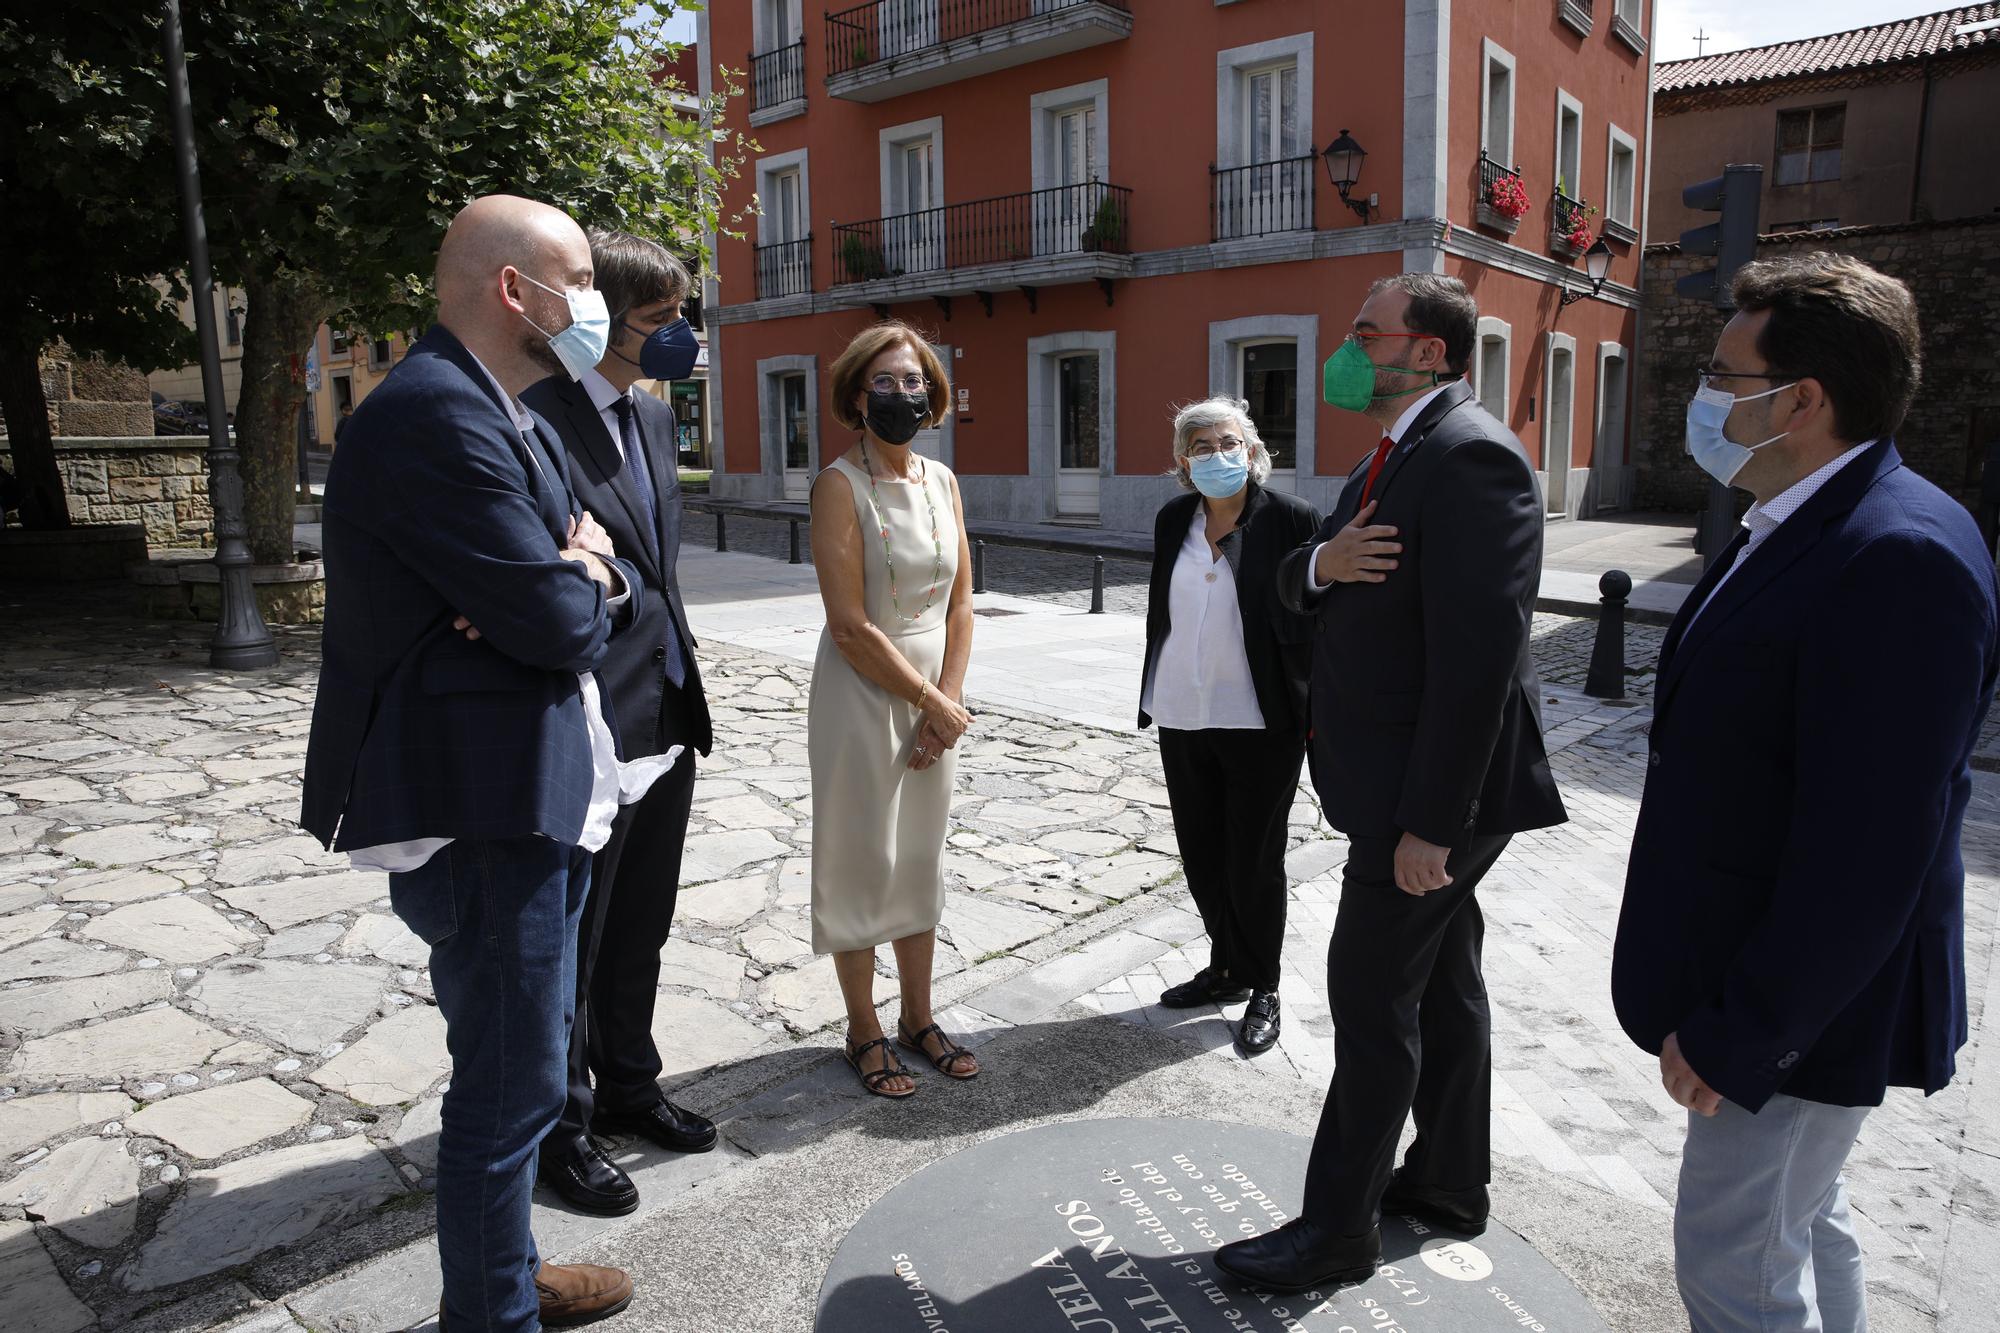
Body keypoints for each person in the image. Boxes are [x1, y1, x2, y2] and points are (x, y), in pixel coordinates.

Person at [301, 195, 670, 1331]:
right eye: (577, 279)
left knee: (519, 1067)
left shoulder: (510, 412)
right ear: (517, 291)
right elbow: (557, 622)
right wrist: (565, 583)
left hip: (538, 785)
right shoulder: (432, 415)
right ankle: (493, 1314)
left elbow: (608, 581)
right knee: (508, 1089)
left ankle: (503, 1274)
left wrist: (579, 572)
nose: (596, 306)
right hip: (478, 804)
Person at [1612, 253, 1998, 1333]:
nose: (1704, 395)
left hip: (1801, 1004)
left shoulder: (1895, 553)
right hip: (1768, 975)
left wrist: (1747, 1031)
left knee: (1733, 1266)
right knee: (1800, 1221)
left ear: (1802, 399)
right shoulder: (1791, 516)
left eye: (1723, 375)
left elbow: (1871, 843)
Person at [1215, 273, 1567, 1292]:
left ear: (1424, 350)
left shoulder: (1470, 459)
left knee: (1371, 1005)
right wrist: (1321, 566)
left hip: (1428, 803)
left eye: (1361, 332)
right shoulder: (1397, 452)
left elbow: (1479, 662)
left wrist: (1429, 826)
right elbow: (1297, 580)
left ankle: (1334, 1231)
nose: (1344, 346)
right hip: (1400, 789)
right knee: (1443, 985)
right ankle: (1450, 1181)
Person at [523, 231, 716, 1216]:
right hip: (588, 720)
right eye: (661, 319)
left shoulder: (647, 416)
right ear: (603, 324)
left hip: (666, 709)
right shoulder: (532, 424)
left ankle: (630, 1087)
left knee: (640, 922)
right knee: (574, 943)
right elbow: (558, 577)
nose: (681, 334)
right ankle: (563, 1127)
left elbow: (642, 565)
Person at [807, 320, 980, 1098]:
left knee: (918, 856)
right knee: (861, 857)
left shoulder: (943, 481)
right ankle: (862, 1028)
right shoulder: (838, 486)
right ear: (855, 393)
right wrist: (930, 699)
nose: (902, 394)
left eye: (913, 381)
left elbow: (963, 602)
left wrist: (950, 702)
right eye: (885, 381)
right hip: (862, 690)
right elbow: (848, 623)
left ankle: (918, 1015)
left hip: (935, 691)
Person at [1139, 397, 1321, 1055]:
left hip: (1261, 718)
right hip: (1183, 711)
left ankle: (1263, 981)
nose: (1218, 455)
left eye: (1228, 442)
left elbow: (1316, 618)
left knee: (1255, 857)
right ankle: (1225, 966)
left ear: (1250, 449)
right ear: (1184, 462)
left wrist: (1316, 708)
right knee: (1203, 853)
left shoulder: (1293, 519)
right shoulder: (1172, 521)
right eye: (1202, 446)